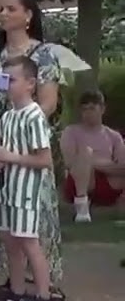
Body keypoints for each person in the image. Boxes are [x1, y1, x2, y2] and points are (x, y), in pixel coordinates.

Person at [0, 0, 65, 301]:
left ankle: (44, 283)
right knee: (5, 212)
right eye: (1, 9)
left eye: (11, 9)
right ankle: (15, 281)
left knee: (35, 213)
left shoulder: (43, 55)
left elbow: (48, 102)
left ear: (28, 15)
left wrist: (23, 121)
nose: (4, 14)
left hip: (27, 141)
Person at [0, 56, 56, 301]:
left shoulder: (35, 116)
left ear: (30, 83)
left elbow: (44, 159)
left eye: (11, 80)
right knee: (10, 242)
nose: (7, 86)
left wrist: (10, 157)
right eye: (5, 80)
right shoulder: (7, 117)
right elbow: (4, 151)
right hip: (6, 190)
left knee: (29, 243)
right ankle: (17, 296)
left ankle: (44, 300)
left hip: (25, 192)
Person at [60, 90, 124, 220]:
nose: (88, 113)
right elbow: (70, 161)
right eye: (85, 109)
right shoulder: (71, 132)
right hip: (79, 182)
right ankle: (82, 208)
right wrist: (103, 163)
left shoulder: (113, 136)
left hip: (109, 183)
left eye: (92, 109)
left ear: (102, 109)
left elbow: (122, 165)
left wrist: (93, 163)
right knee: (85, 152)